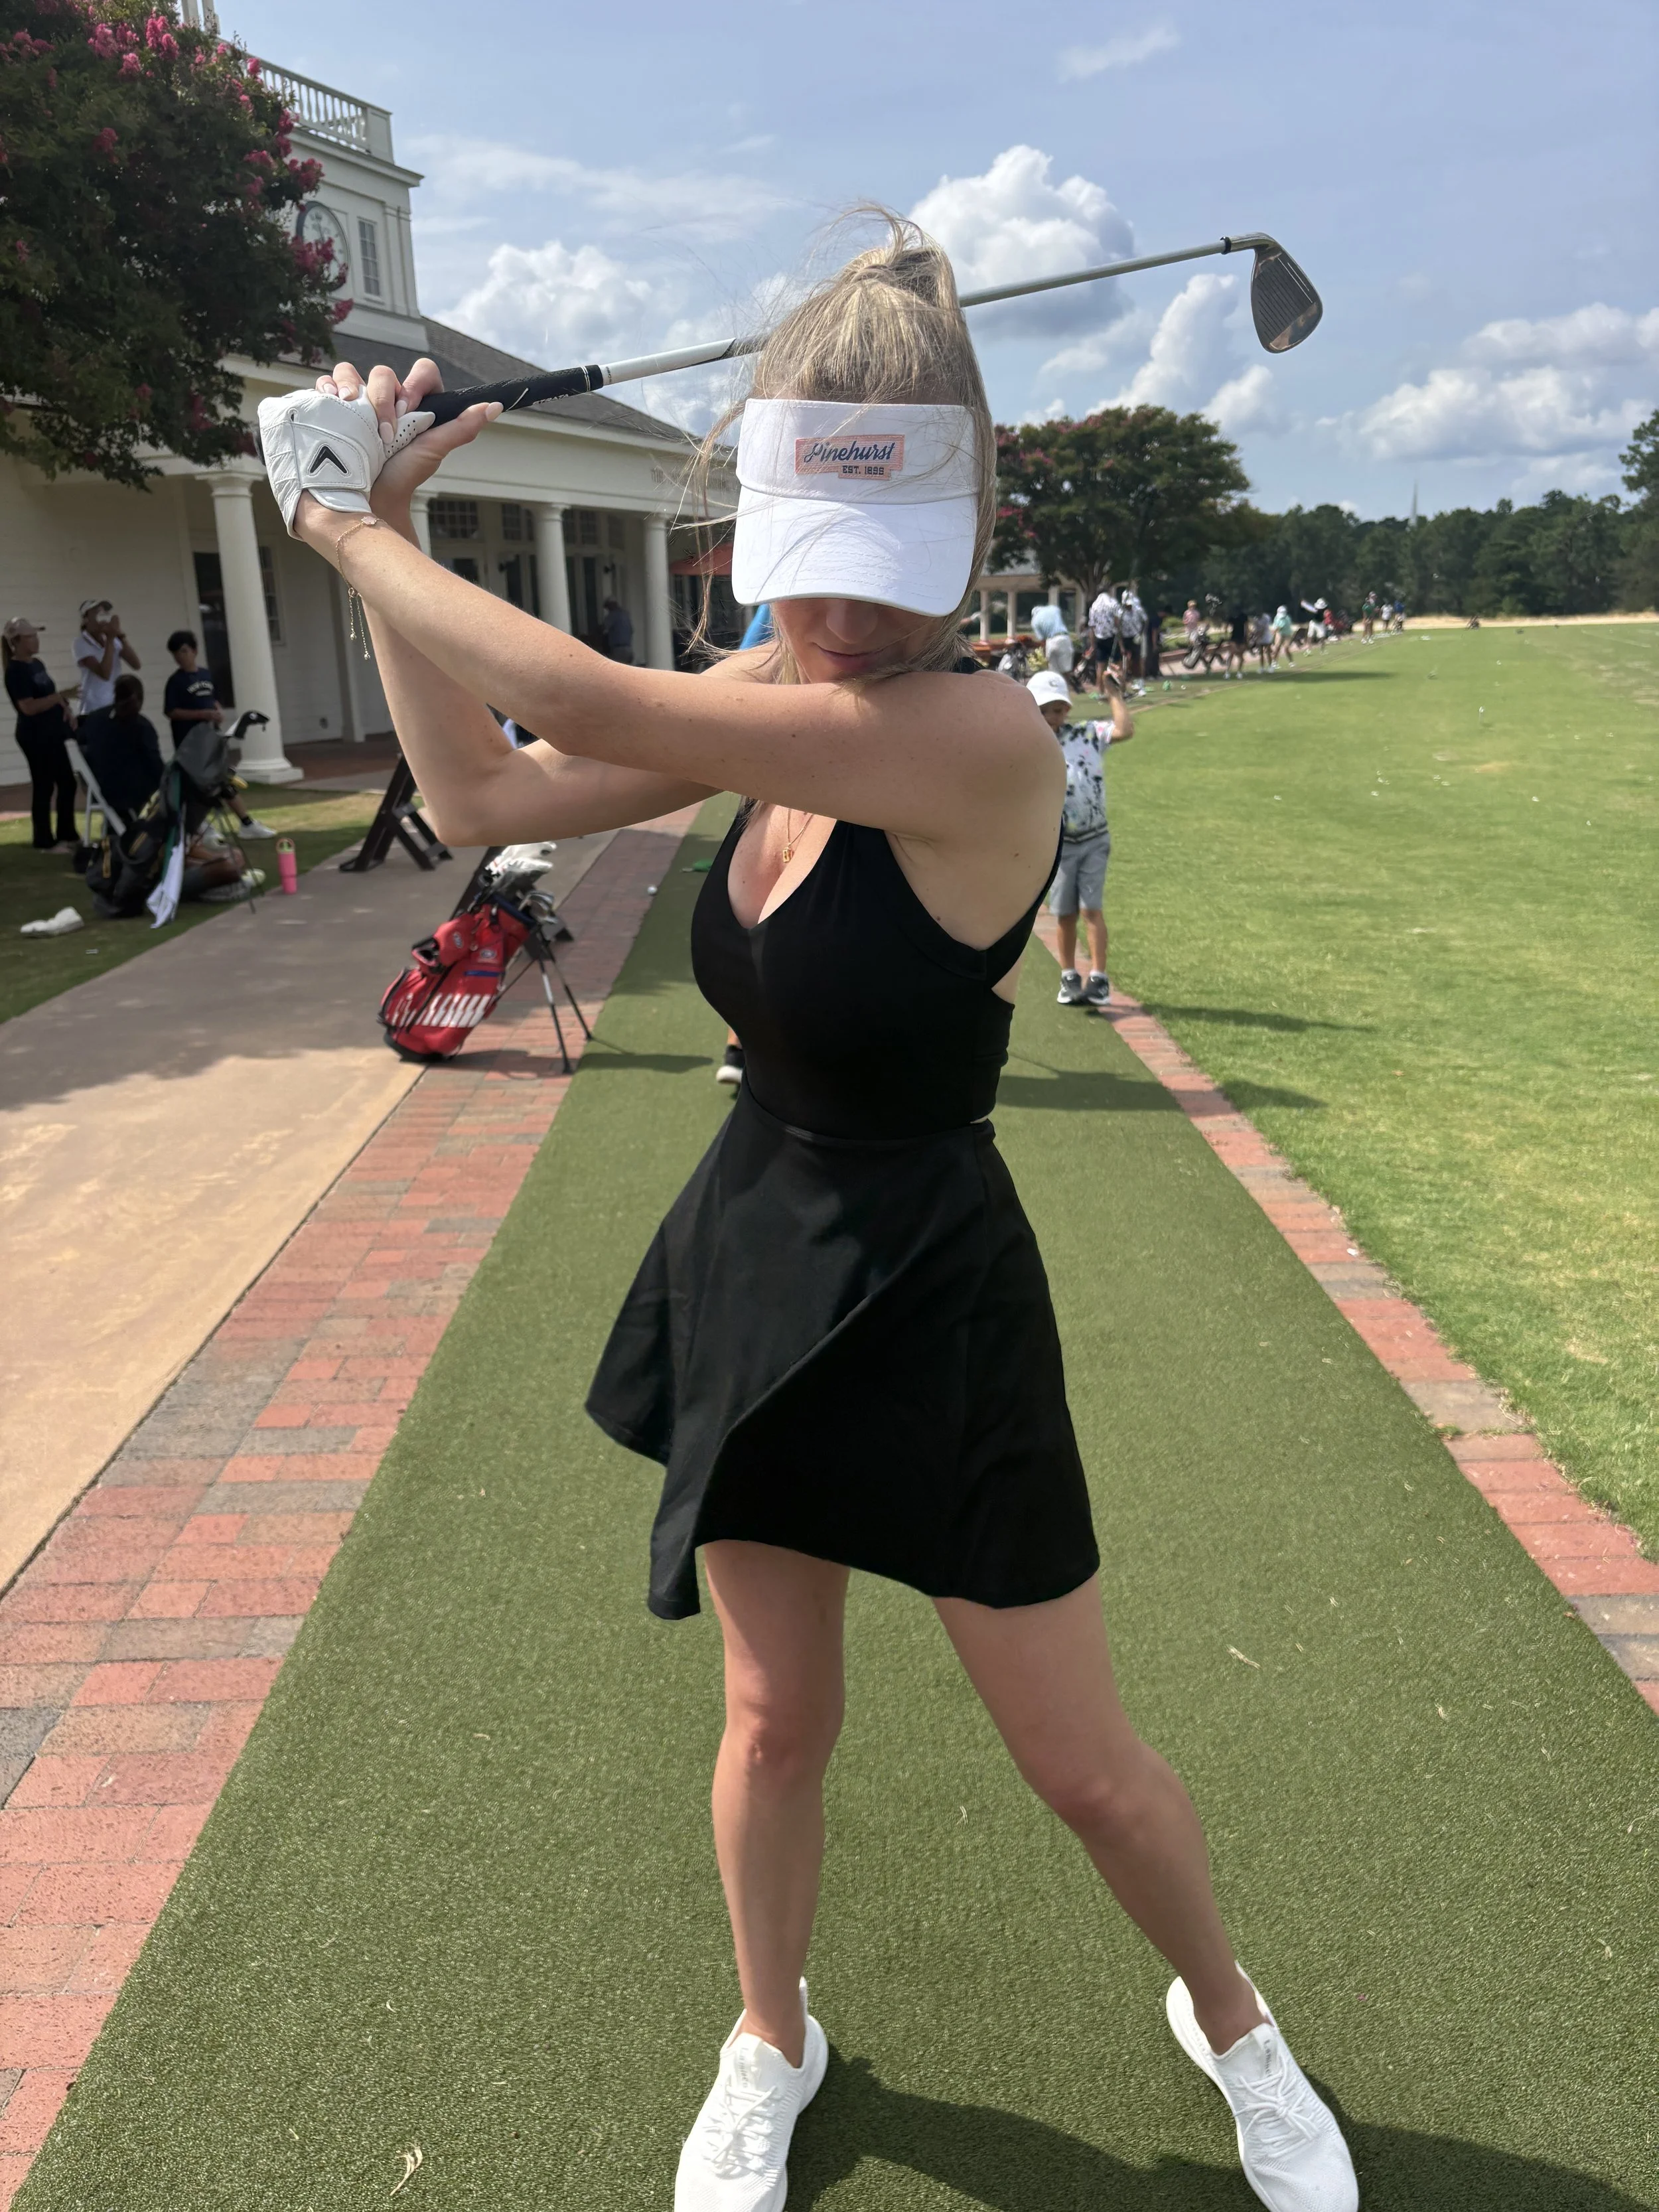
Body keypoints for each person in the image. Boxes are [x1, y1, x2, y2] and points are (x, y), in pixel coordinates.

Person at [259, 211, 1359, 2212]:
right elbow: (492, 798)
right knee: (770, 1720)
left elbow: (585, 710)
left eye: (886, 581)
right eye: (810, 581)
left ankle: (1229, 2017)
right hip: (759, 1248)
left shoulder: (976, 737)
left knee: (1076, 1763)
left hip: (934, 1285)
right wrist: (386, 555)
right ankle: (770, 2035)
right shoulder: (767, 679)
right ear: (760, 525)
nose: (838, 626)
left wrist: (349, 531)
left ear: (958, 542)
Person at [1030, 667, 1129, 1009]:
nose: (1052, 717)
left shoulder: (1086, 735)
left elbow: (1123, 730)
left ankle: (1099, 979)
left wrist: (1114, 694)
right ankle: (1069, 975)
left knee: (1091, 909)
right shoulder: (1030, 748)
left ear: (1067, 709)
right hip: (1058, 844)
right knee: (1065, 913)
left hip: (1094, 838)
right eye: (1043, 711)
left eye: (1057, 709)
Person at [162, 631, 275, 838]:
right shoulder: (175, 682)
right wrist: (202, 714)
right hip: (189, 743)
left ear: (194, 651)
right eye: (176, 653)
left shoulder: (205, 675)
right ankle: (203, 827)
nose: (180, 656)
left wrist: (216, 711)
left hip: (210, 740)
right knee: (198, 785)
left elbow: (211, 699)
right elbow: (172, 712)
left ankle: (246, 823)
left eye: (184, 651)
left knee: (222, 779)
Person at [3, 616, 79, 849]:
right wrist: (60, 697)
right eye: (31, 636)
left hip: (53, 733)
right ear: (16, 641)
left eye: (36, 635)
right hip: (34, 736)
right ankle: (44, 841)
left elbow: (51, 693)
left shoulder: (37, 664)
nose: (36, 640)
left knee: (68, 782)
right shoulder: (15, 671)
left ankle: (68, 835)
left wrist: (66, 709)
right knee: (44, 785)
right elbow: (28, 707)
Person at [76, 673, 165, 825]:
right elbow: (154, 763)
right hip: (133, 792)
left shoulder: (95, 720)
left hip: (103, 787)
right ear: (140, 698)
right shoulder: (141, 726)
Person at [73, 598, 140, 717]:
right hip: (93, 708)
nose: (102, 616)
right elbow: (104, 673)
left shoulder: (113, 639)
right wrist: (110, 638)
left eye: (104, 612)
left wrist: (120, 635)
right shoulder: (80, 643)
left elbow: (136, 664)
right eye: (97, 612)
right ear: (86, 618)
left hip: (115, 704)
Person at [1117, 581, 1145, 689]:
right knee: (1124, 661)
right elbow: (1118, 631)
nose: (1129, 606)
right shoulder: (1120, 612)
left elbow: (1144, 622)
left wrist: (1140, 634)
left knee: (1137, 660)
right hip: (1125, 638)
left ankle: (1139, 683)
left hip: (1135, 637)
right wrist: (1122, 646)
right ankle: (1124, 682)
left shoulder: (1137, 610)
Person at [601, 597, 635, 664]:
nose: (608, 610)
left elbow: (603, 628)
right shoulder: (625, 614)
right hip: (628, 649)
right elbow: (631, 630)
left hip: (618, 650)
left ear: (611, 605)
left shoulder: (613, 615)